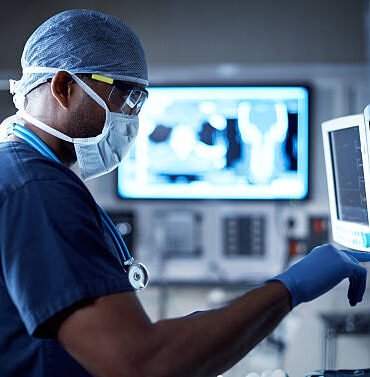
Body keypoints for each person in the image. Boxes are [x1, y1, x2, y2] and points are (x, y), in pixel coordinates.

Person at [0, 9, 369, 377]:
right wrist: (291, 287)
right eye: (125, 96)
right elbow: (144, 364)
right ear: (63, 87)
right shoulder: (37, 189)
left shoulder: (22, 172)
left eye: (140, 102)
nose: (132, 119)